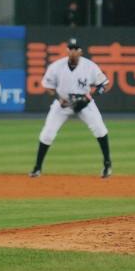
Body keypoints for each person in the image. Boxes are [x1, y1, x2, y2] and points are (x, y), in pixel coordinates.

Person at [29, 37, 112, 179]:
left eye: (76, 49)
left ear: (80, 51)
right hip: (64, 103)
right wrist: (58, 98)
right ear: (67, 51)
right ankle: (37, 168)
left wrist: (88, 98)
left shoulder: (90, 66)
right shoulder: (56, 67)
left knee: (99, 128)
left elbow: (103, 85)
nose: (73, 52)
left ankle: (107, 164)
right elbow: (48, 87)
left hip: (84, 102)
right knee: (47, 133)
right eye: (71, 49)